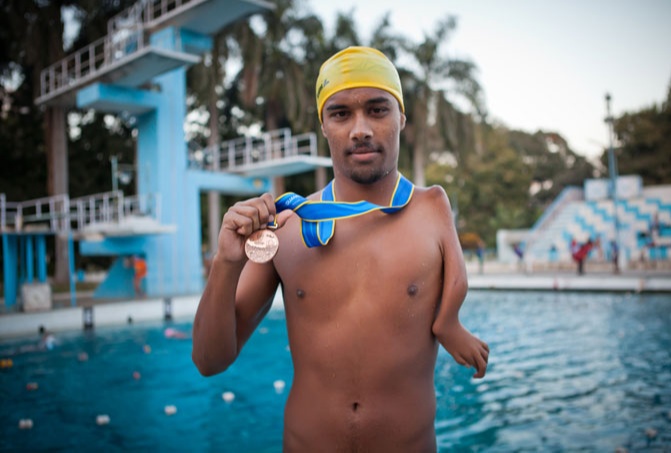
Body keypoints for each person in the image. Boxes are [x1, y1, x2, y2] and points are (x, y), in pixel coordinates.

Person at [192, 46, 489, 452]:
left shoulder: (431, 207)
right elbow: (210, 361)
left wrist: (448, 322)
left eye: (378, 109)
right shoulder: (289, 226)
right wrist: (225, 263)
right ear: (324, 127)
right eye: (341, 114)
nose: (360, 129)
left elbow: (457, 277)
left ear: (401, 118)